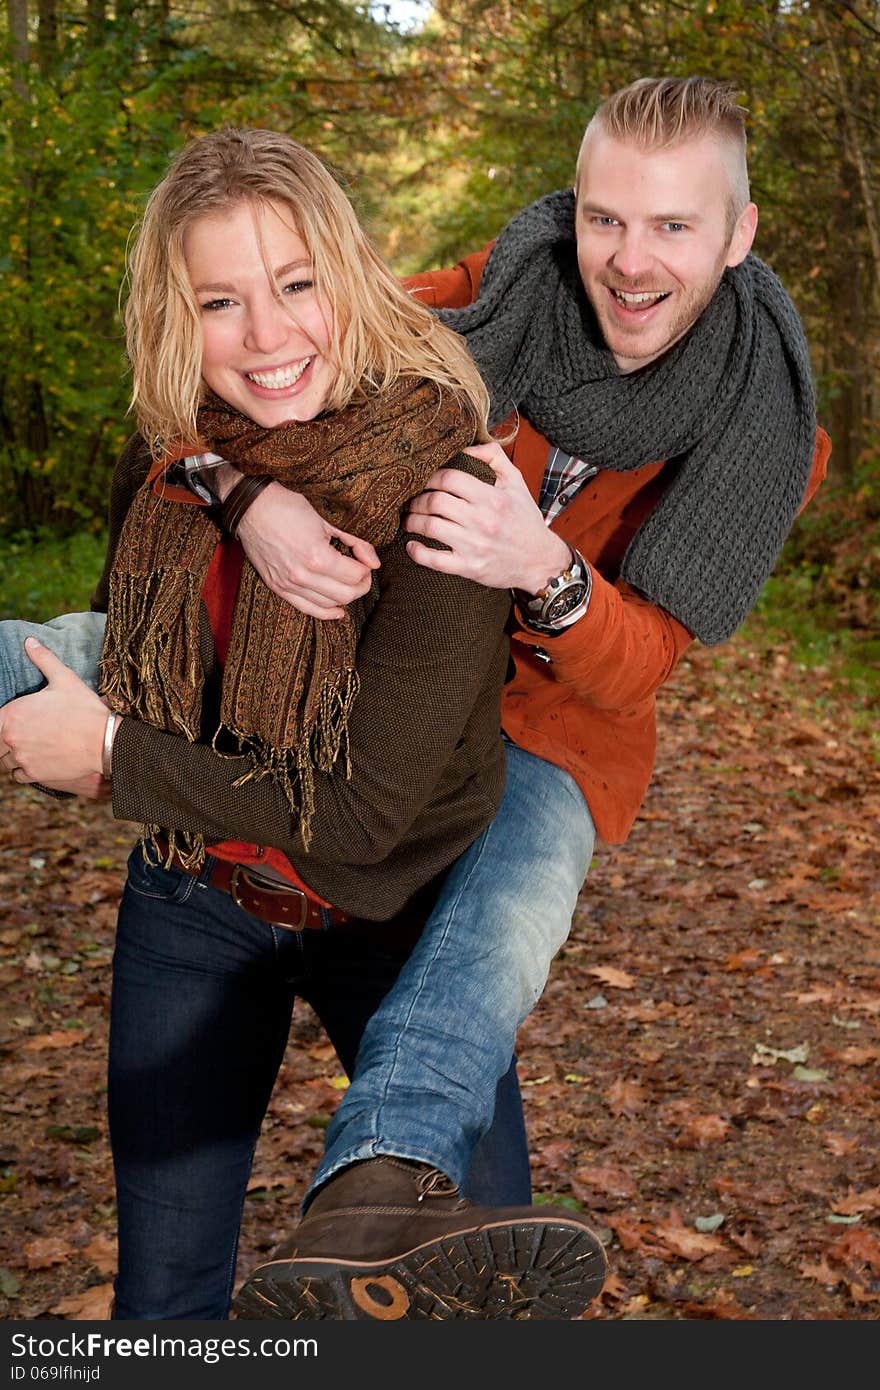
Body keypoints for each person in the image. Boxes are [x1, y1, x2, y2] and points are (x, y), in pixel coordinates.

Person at [151, 77, 827, 1312]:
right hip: (368, 659)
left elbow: (646, 660)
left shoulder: (770, 424)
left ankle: (378, 1186)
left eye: (673, 227)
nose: (629, 262)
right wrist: (251, 501)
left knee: (512, 901)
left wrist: (546, 571)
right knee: (89, 649)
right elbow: (246, 372)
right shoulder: (488, 294)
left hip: (550, 729)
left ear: (735, 236)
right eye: (605, 218)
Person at [0, 127, 608, 1322]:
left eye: (294, 284)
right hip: (194, 901)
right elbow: (155, 617)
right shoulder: (174, 457)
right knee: (166, 1301)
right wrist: (239, 493)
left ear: (348, 274)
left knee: (469, 1304)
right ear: (178, 317)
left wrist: (114, 756)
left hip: (392, 912)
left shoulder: (449, 487)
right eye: (219, 301)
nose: (267, 337)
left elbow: (366, 811)